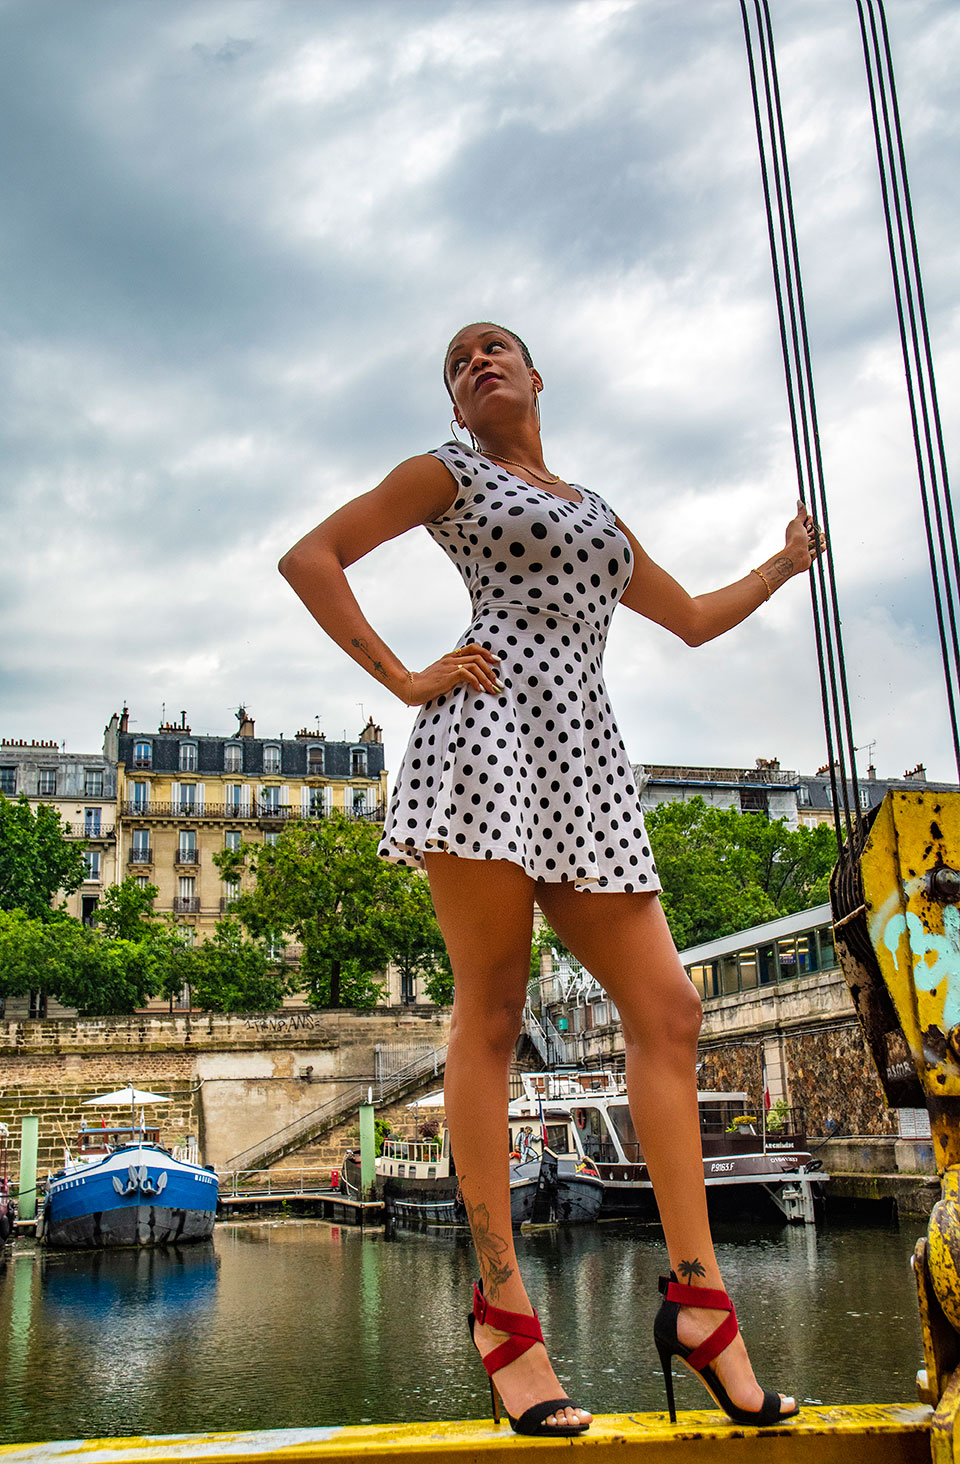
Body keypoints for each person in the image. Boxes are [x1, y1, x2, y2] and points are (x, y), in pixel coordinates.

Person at [279, 321, 824, 1436]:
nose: (476, 363)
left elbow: (691, 619)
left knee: (668, 1010)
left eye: (495, 350)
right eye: (456, 362)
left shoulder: (598, 508)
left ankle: (703, 1307)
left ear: (536, 377)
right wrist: (408, 676)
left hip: (586, 757)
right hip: (484, 738)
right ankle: (504, 1313)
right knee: (491, 1014)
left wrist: (784, 562)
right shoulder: (450, 470)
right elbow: (311, 558)